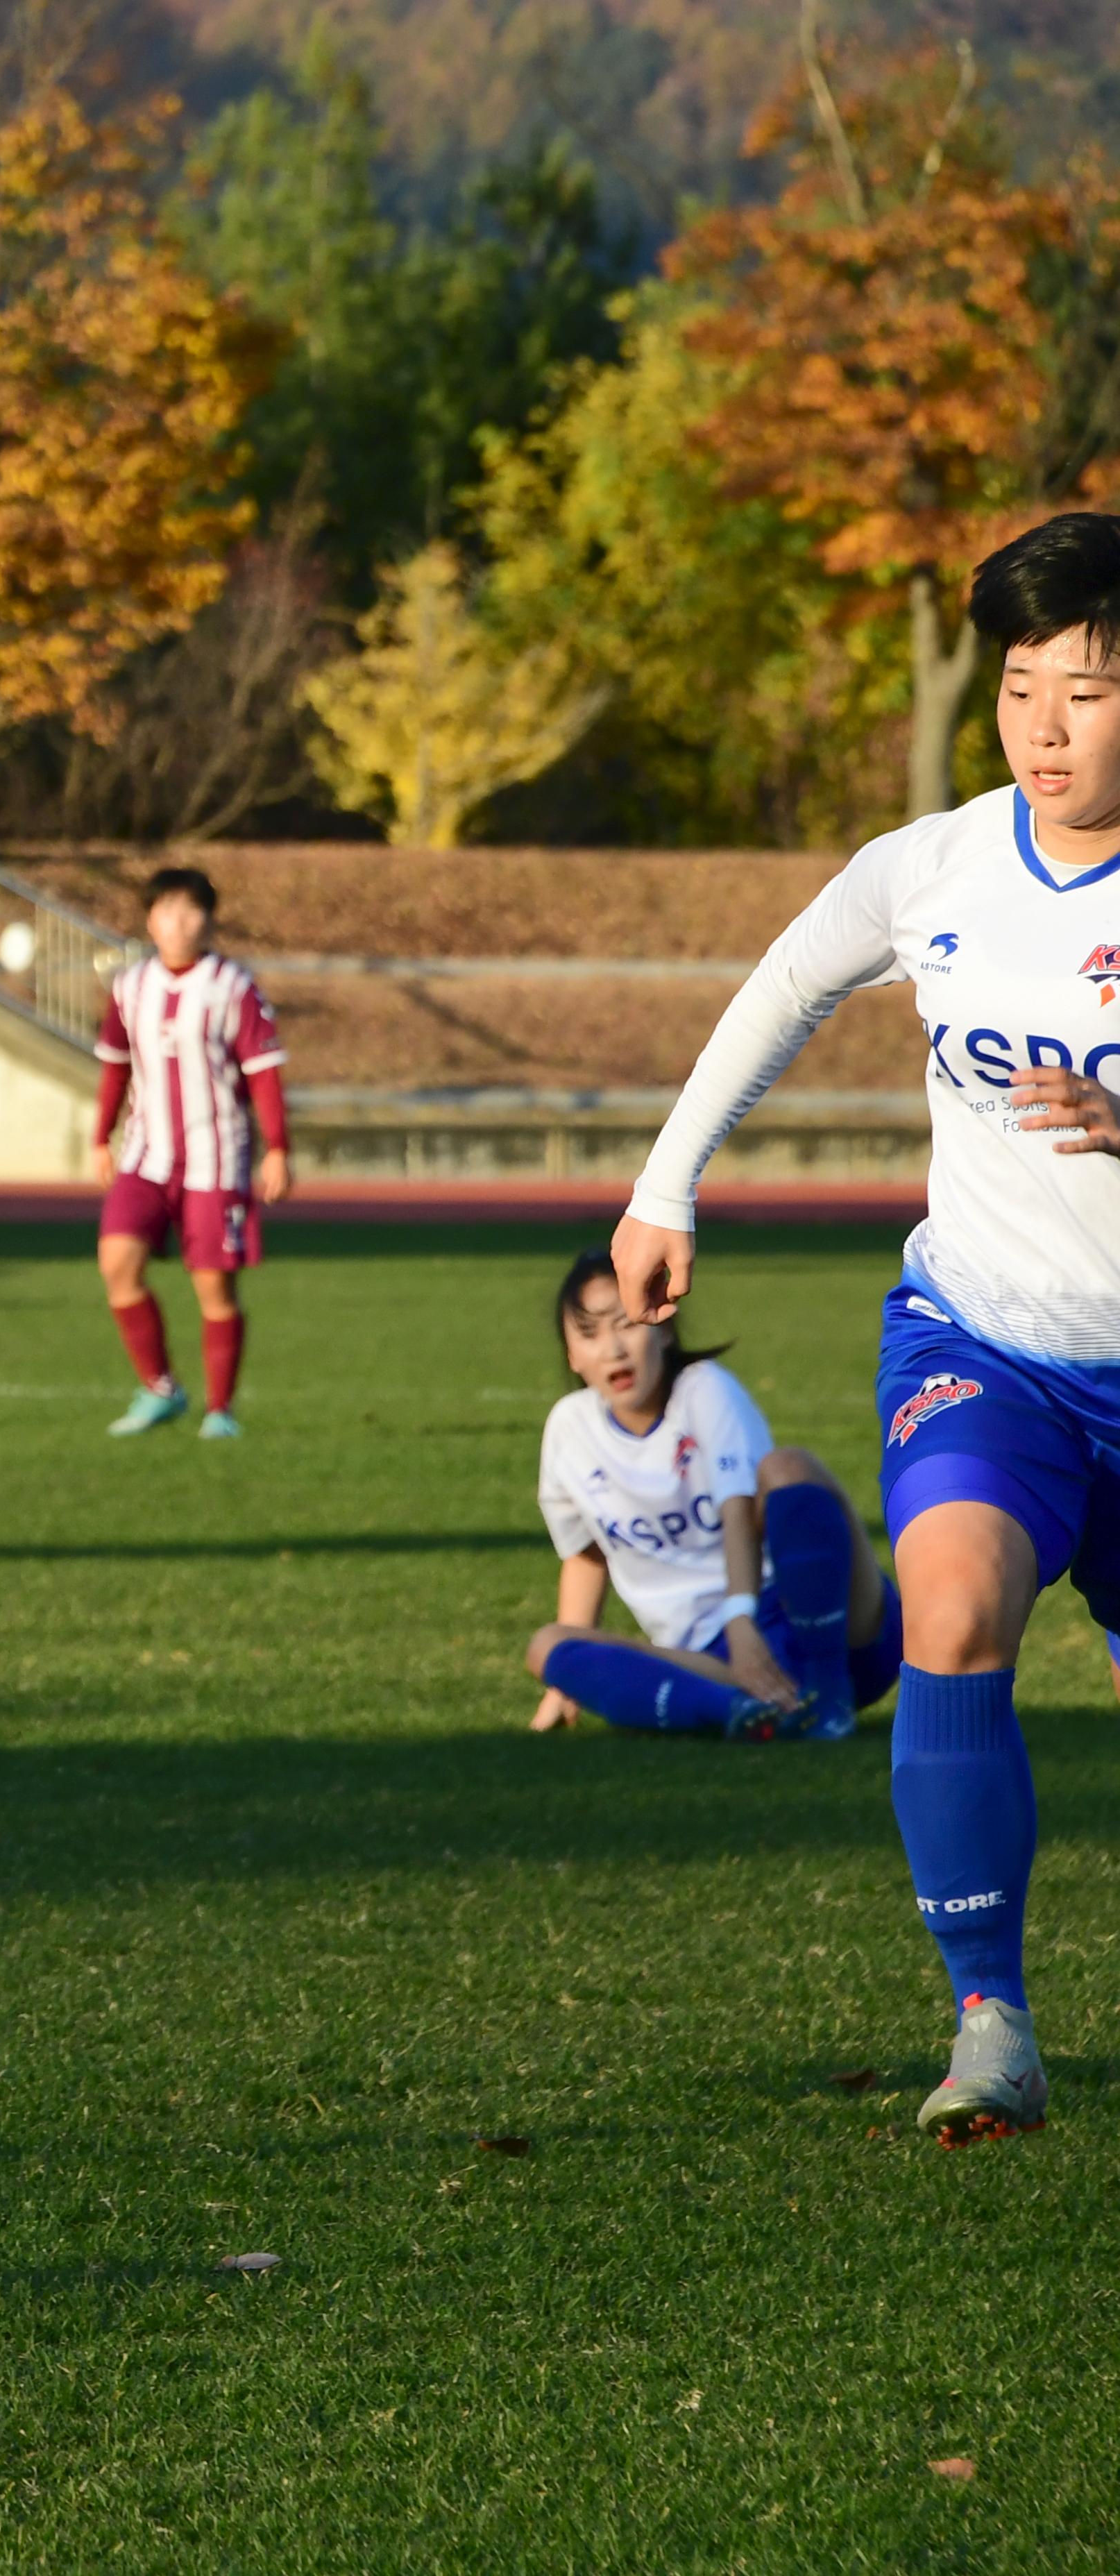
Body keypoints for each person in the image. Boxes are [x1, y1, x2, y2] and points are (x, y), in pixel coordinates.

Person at [615, 508, 1120, 2146]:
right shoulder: (940, 867)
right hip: (987, 1340)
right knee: (953, 1610)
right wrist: (665, 1190)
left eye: (1086, 693)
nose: (1042, 728)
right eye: (1020, 688)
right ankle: (992, 2026)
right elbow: (780, 987)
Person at [523, 1248, 896, 1740]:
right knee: (547, 1646)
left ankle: (830, 1699)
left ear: (664, 1327)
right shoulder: (569, 1429)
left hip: (814, 1621)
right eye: (590, 1334)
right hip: (707, 1658)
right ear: (572, 1354)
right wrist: (568, 1680)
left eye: (627, 1323)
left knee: (789, 1467)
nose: (612, 1348)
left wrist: (741, 1621)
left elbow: (737, 1511)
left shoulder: (704, 1390)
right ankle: (739, 1711)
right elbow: (586, 1557)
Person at [92, 866, 291, 1438]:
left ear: (209, 919)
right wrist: (99, 1135)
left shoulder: (234, 987)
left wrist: (278, 1148)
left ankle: (220, 1411)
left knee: (213, 1287)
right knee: (117, 1265)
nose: (179, 924)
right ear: (150, 920)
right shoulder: (130, 987)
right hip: (145, 1157)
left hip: (216, 1159)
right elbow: (114, 1065)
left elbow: (264, 1073)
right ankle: (160, 1388)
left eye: (191, 911)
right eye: (167, 912)